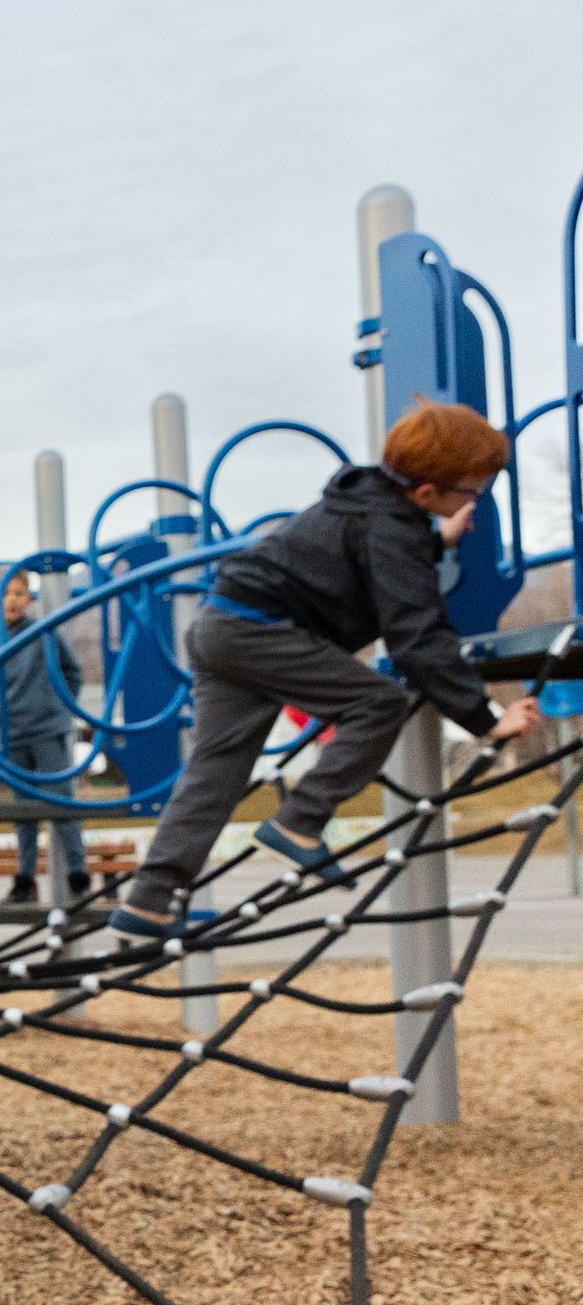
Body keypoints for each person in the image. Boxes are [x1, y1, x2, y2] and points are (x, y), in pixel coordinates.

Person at [108, 398, 542, 939]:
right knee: (376, 702)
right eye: (471, 490)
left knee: (213, 774)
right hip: (257, 632)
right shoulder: (393, 528)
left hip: (221, 625)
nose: (474, 499)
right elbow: (417, 633)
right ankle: (300, 821)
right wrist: (484, 718)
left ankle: (147, 901)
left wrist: (436, 541)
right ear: (427, 493)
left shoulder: (367, 502)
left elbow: (375, 556)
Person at [0, 571, 90, 907]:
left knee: (61, 801)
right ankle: (25, 879)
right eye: (6, 593)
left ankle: (78, 875)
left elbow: (72, 671)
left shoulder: (42, 634)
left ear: (30, 599)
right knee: (23, 811)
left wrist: (61, 707)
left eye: (20, 593)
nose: (12, 600)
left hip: (47, 729)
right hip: (12, 734)